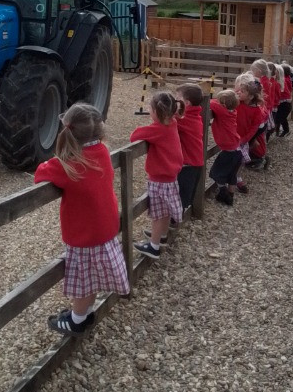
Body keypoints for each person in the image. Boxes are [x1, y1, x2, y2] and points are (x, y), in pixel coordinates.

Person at [34, 103, 129, 334]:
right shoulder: (103, 153)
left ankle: (77, 320)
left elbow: (40, 173)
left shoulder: (68, 165)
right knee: (92, 276)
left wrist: (57, 158)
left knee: (82, 281)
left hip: (85, 234)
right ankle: (84, 313)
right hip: (105, 228)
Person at [131, 91, 184, 259]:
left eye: (150, 108)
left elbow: (134, 136)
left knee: (157, 213)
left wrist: (147, 125)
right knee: (165, 210)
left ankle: (153, 246)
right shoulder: (173, 122)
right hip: (171, 177)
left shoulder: (158, 129)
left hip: (160, 179)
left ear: (157, 112)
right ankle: (160, 235)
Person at [208, 88, 242, 206]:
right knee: (232, 174)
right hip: (237, 150)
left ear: (222, 104)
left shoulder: (223, 112)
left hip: (229, 152)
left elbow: (210, 103)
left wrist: (213, 100)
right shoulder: (232, 111)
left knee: (215, 172)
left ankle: (224, 193)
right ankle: (231, 195)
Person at [175, 82, 205, 212]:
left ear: (186, 103)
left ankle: (170, 224)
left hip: (188, 164)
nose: (175, 101)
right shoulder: (195, 116)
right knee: (184, 195)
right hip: (194, 162)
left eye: (178, 99)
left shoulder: (185, 119)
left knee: (180, 197)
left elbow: (166, 122)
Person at [234, 73, 265, 192]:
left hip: (243, 139)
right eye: (237, 90)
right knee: (232, 158)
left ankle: (237, 177)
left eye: (241, 91)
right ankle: (231, 178)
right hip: (233, 136)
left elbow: (254, 128)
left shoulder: (256, 110)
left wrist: (245, 139)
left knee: (241, 160)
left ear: (251, 95)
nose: (237, 92)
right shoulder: (236, 102)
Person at [275, 63, 293, 137]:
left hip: (284, 101)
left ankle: (284, 130)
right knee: (282, 117)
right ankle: (282, 130)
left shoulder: (284, 80)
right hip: (285, 100)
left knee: (280, 117)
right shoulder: (288, 78)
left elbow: (282, 90)